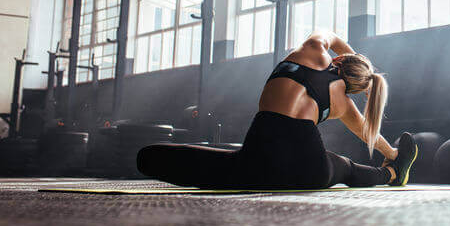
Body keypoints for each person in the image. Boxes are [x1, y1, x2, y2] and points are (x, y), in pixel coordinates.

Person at [136, 31, 417, 189]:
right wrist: (392, 154)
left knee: (151, 158)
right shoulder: (344, 104)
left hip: (258, 163)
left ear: (340, 58)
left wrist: (354, 55)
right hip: (309, 174)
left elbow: (331, 34)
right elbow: (369, 134)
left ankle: (392, 170)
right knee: (342, 166)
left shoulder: (312, 51)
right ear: (355, 88)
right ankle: (392, 173)